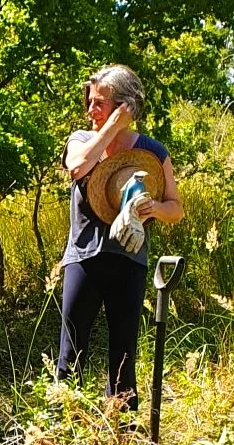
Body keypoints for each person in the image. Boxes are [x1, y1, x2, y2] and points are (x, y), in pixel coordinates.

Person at [57, 64, 184, 410]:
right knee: (72, 350)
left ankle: (123, 435)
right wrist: (110, 127)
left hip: (129, 261)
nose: (90, 110)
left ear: (124, 106)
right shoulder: (82, 140)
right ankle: (61, 430)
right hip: (83, 257)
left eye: (100, 103)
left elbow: (176, 208)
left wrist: (152, 208)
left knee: (124, 355)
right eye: (91, 102)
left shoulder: (152, 152)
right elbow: (77, 167)